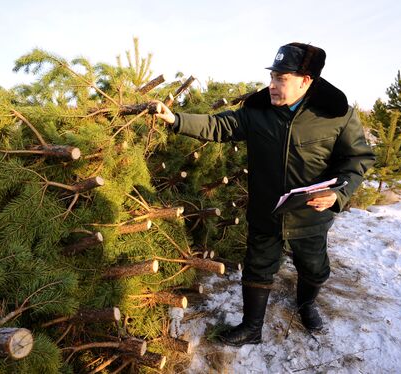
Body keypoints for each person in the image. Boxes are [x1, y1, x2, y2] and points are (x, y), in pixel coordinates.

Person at [155, 42, 375, 347]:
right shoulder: (258, 112)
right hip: (266, 211)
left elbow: (358, 160)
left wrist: (337, 196)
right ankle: (251, 327)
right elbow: (220, 125)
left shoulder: (336, 116)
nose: (271, 85)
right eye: (272, 76)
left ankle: (305, 305)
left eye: (281, 79)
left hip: (311, 214)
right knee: (258, 266)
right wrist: (176, 120)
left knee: (313, 267)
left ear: (305, 80)